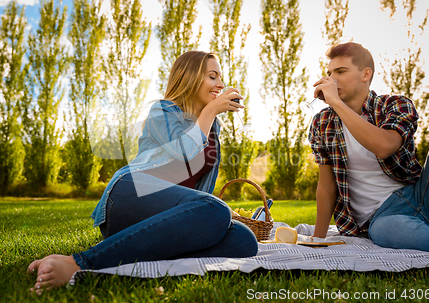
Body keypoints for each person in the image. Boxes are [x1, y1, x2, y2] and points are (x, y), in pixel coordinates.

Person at [27, 51, 258, 292]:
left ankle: (137, 250)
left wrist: (204, 213)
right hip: (132, 194)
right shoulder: (163, 111)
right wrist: (210, 111)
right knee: (217, 210)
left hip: (170, 216)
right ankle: (80, 262)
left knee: (244, 240)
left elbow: (200, 188)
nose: (221, 84)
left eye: (221, 77)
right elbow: (182, 153)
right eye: (213, 76)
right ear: (190, 78)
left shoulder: (213, 128)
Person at [309, 42, 429, 256]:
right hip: (383, 219)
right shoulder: (322, 122)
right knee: (385, 231)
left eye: (341, 72)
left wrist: (337, 104)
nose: (332, 79)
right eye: (330, 73)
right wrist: (318, 239)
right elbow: (326, 186)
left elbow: (385, 146)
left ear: (365, 74)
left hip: (423, 198)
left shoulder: (395, 105)